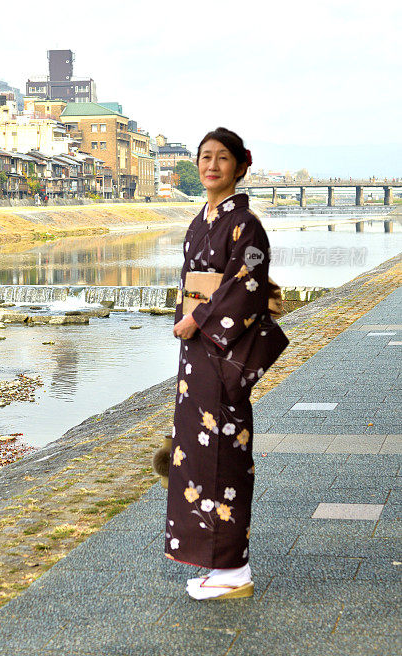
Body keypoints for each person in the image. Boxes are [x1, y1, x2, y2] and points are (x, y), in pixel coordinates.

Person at [165, 127, 288, 601]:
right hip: (197, 358)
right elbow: (194, 281)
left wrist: (197, 319)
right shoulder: (202, 221)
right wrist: (189, 318)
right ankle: (217, 564)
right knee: (196, 458)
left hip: (221, 352)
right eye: (204, 158)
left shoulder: (245, 224)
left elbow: (245, 286)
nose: (211, 165)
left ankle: (233, 568)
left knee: (224, 460)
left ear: (240, 166)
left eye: (222, 158)